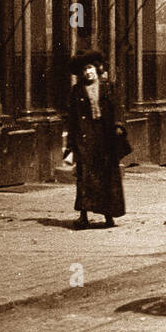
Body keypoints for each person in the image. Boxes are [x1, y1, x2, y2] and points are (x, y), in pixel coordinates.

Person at [64, 50, 126, 229]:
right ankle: (83, 216)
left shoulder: (108, 87)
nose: (87, 72)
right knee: (84, 177)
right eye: (84, 70)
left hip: (104, 136)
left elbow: (117, 108)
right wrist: (70, 145)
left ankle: (108, 215)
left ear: (97, 69)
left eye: (90, 68)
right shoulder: (77, 91)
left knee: (107, 176)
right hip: (85, 136)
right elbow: (73, 119)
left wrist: (119, 125)